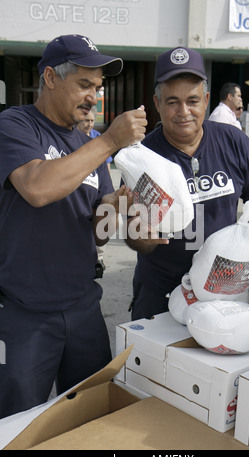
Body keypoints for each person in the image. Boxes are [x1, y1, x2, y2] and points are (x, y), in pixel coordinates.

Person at [0, 34, 147, 419]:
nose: (93, 97)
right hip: (23, 312)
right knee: (18, 423)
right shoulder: (15, 125)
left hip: (83, 305)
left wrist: (123, 204)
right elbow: (36, 187)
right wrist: (112, 140)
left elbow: (98, 229)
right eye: (84, 84)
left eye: (97, 87)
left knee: (90, 414)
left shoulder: (87, 144)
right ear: (50, 77)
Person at [124, 47, 249, 321]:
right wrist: (142, 238)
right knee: (153, 361)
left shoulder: (233, 140)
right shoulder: (141, 157)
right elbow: (134, 234)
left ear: (206, 100)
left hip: (222, 286)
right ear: (157, 104)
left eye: (192, 100)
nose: (184, 112)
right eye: (172, 102)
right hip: (160, 288)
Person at [76, 105, 112, 271]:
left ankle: (99, 257)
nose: (90, 124)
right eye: (86, 121)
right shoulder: (71, 141)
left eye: (92, 121)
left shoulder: (98, 140)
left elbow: (106, 166)